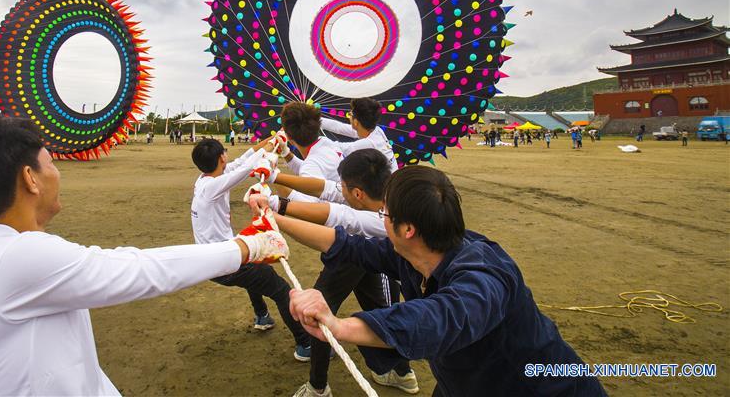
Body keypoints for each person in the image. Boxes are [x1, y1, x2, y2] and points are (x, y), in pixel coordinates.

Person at [0, 117, 290, 396]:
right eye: (51, 163)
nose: (57, 173)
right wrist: (247, 247)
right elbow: (141, 270)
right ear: (30, 179)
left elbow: (75, 369)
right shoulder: (18, 257)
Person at [284, 166, 607, 397]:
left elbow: (439, 318)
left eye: (385, 214)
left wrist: (339, 326)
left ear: (407, 229)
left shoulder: (484, 274)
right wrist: (275, 217)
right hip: (463, 384)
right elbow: (348, 244)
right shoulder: (415, 251)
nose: (380, 220)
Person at [249, 149, 419, 396]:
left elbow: (337, 215)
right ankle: (401, 372)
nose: (340, 189)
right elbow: (326, 189)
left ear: (358, 193)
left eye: (345, 187)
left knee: (318, 311)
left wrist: (274, 209)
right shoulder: (383, 190)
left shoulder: (381, 219)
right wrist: (275, 178)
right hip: (364, 253)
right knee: (375, 305)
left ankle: (318, 387)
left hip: (363, 256)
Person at [190, 137, 313, 361]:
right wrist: (266, 152)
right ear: (221, 158)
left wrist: (270, 140)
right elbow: (246, 168)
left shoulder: (204, 180)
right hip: (224, 262)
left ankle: (262, 316)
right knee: (281, 289)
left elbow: (242, 160)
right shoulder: (213, 186)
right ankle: (305, 344)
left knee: (254, 264)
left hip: (216, 257)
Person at [319, 98, 398, 174]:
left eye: (350, 114)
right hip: (391, 178)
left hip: (389, 185)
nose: (349, 116)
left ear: (356, 122)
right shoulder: (376, 130)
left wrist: (311, 128)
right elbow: (338, 127)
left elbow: (335, 147)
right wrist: (315, 118)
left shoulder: (368, 144)